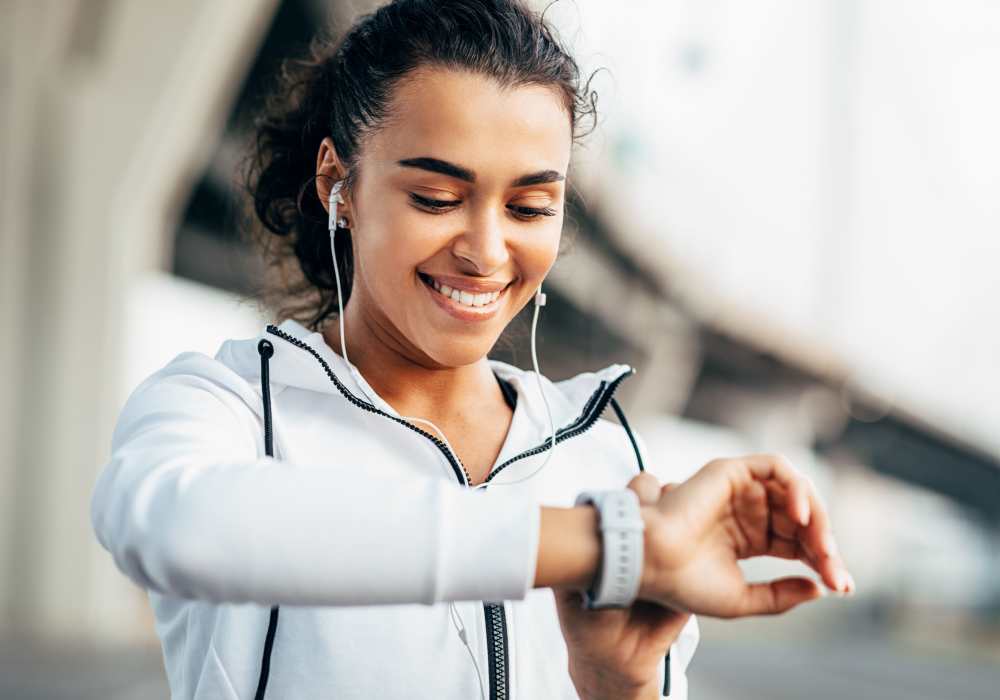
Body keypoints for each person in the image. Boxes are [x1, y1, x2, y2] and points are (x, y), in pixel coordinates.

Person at [89, 1, 855, 698]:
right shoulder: (225, 404)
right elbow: (180, 530)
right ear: (338, 185)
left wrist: (616, 681)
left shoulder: (604, 447)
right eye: (436, 198)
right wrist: (602, 545)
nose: (487, 252)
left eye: (529, 206)